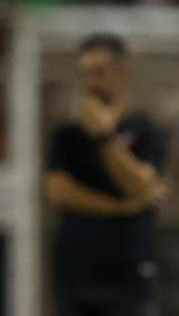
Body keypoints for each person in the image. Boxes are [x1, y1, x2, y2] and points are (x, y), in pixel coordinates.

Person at [46, 33, 169, 316]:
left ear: (122, 72)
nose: (91, 82)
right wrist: (121, 207)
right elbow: (59, 192)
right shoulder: (68, 133)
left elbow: (141, 183)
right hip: (77, 269)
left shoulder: (145, 128)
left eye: (99, 72)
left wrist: (105, 137)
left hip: (129, 268)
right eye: (85, 74)